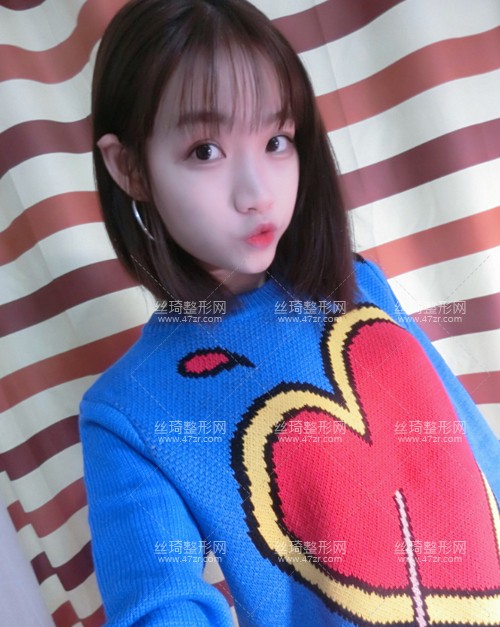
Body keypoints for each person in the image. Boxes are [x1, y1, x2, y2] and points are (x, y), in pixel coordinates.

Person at [79, 0, 500, 625]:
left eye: (276, 141)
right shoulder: (127, 410)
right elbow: (160, 605)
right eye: (205, 150)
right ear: (130, 167)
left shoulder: (357, 284)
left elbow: (468, 448)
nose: (258, 193)